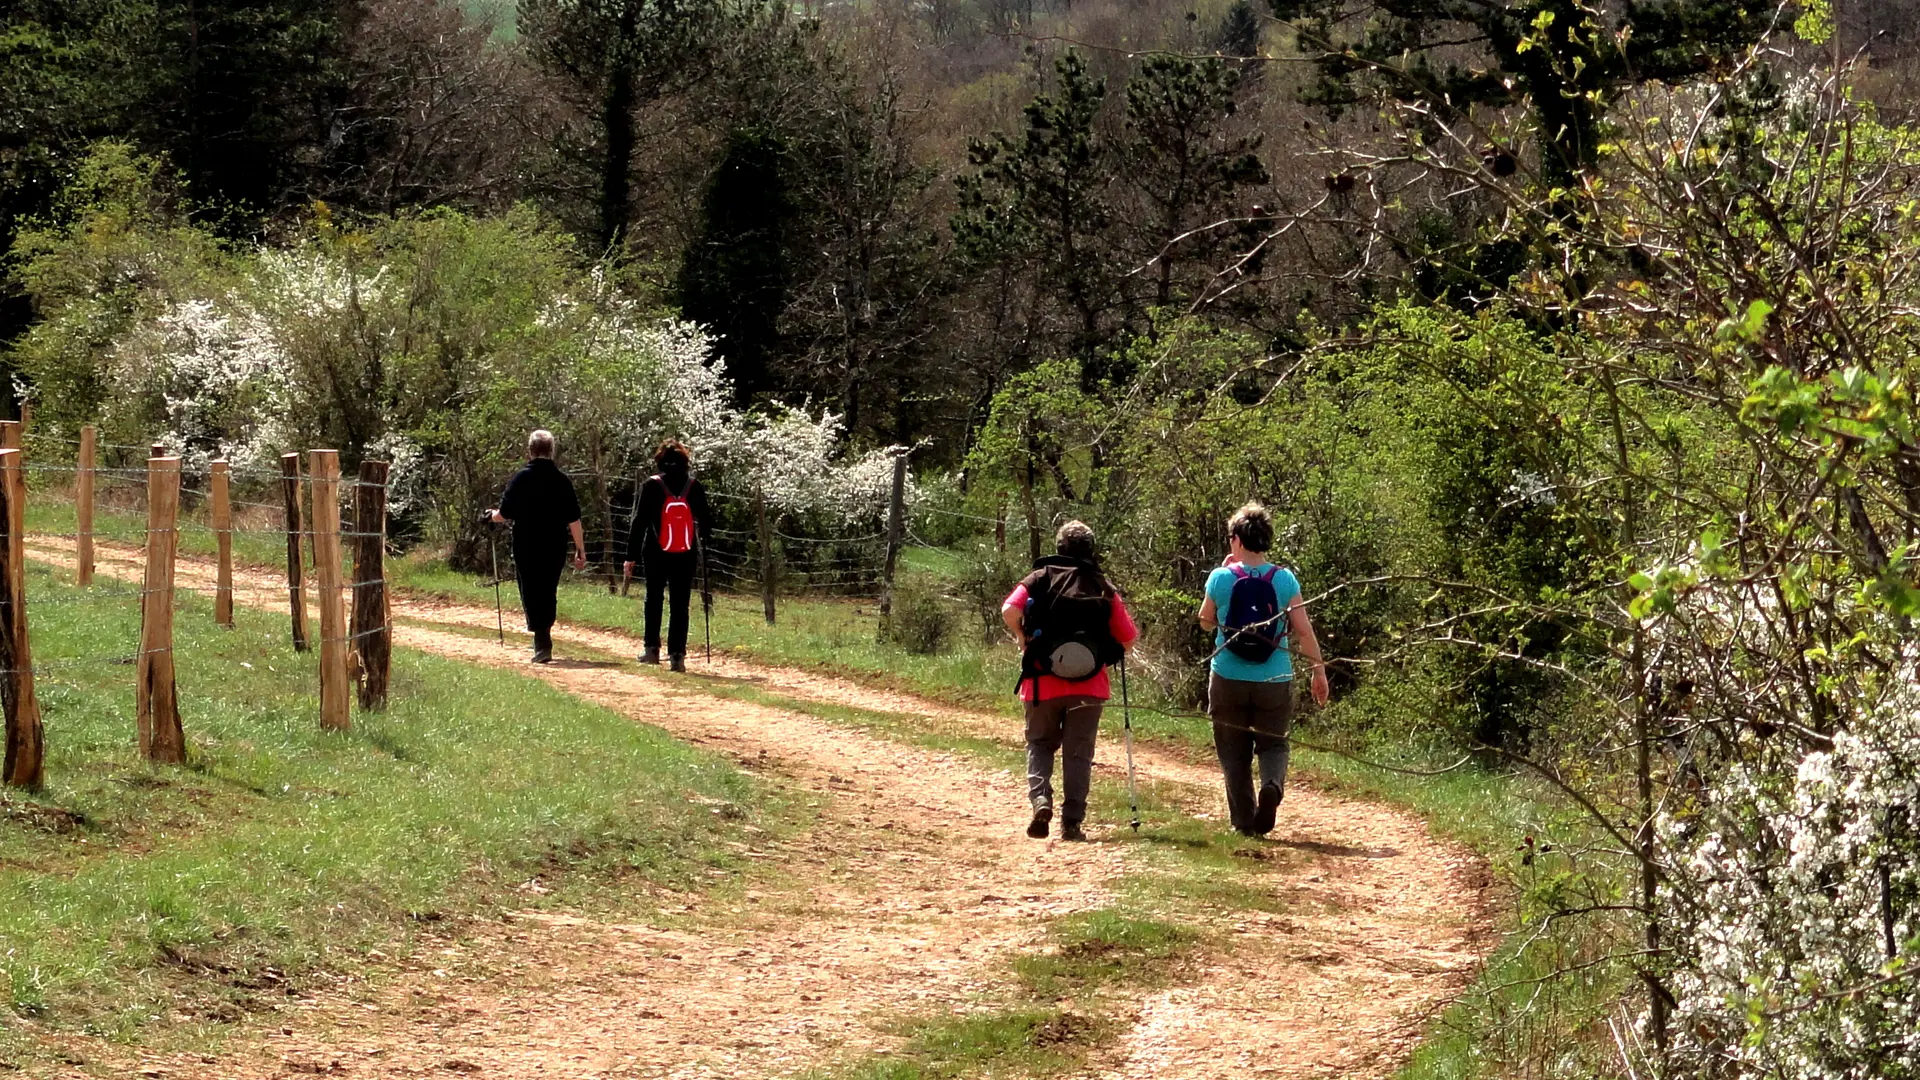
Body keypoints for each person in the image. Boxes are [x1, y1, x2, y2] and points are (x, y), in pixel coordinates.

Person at [1196, 503, 1329, 837]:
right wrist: (1318, 670)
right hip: (1275, 677)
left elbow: (1205, 621)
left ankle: (1244, 823)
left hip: (1227, 676)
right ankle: (1271, 784)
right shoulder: (1284, 579)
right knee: (1273, 744)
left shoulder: (1221, 577)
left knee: (1232, 749)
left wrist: (1224, 576)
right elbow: (1303, 630)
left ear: (1237, 540)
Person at [1001, 521, 1138, 842]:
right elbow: (1129, 638)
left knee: (1039, 743)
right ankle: (1072, 823)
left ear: (1059, 547)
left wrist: (1022, 637)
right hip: (1089, 687)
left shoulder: (1040, 577)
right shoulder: (1102, 585)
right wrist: (1105, 653)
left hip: (1040, 682)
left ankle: (1040, 800)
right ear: (1091, 550)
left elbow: (1009, 608)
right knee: (1078, 754)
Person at [487, 429, 587, 664]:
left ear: (529, 451)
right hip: (555, 545)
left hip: (526, 543)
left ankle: (541, 639)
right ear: (552, 451)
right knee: (548, 588)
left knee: (530, 588)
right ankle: (544, 636)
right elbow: (574, 519)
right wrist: (580, 549)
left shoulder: (521, 478)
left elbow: (505, 513)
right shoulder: (562, 480)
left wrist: (491, 516)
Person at [623, 440, 713, 673]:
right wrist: (703, 544)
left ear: (660, 461)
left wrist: (630, 556)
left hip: (655, 551)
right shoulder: (693, 486)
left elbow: (639, 521)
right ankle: (677, 656)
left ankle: (652, 650)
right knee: (680, 604)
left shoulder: (652, 485)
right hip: (685, 552)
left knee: (653, 598)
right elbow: (706, 523)